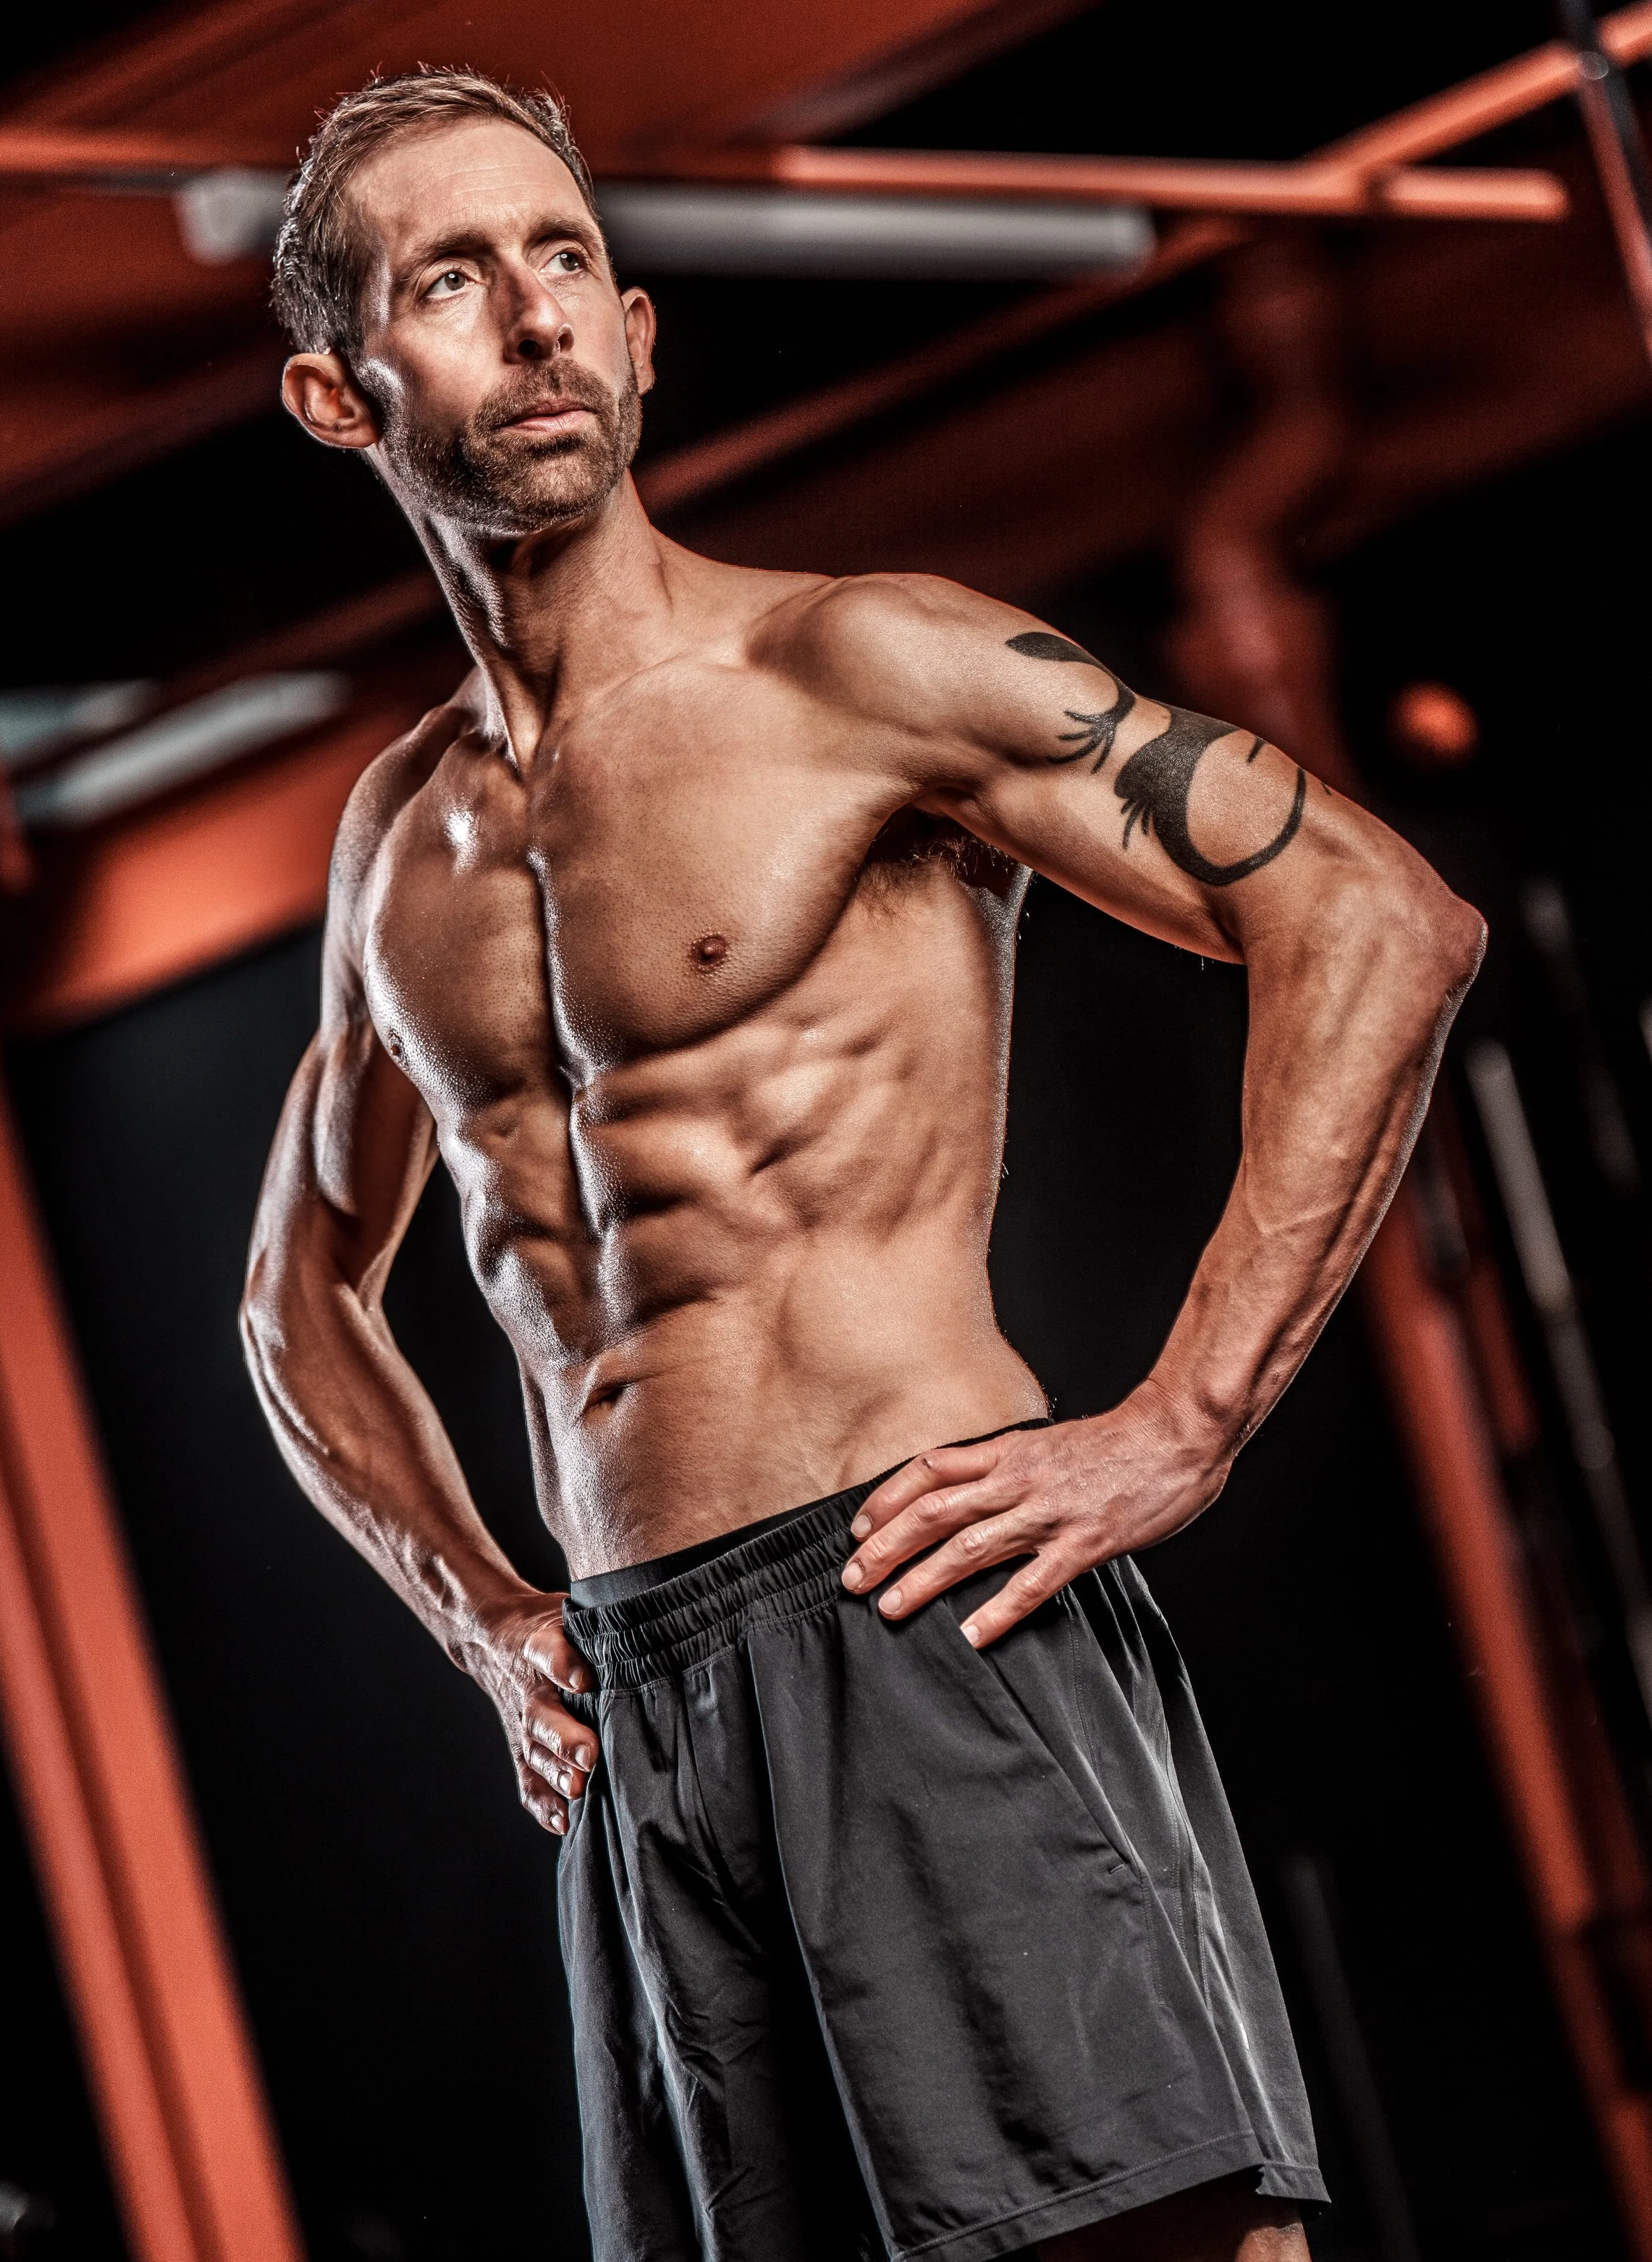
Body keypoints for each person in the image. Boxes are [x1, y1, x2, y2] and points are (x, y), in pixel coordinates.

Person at [243, 67, 1483, 2262]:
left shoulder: (855, 664)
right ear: (341, 397)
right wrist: (482, 1613)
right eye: (453, 278)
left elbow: (1374, 913)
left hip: (912, 1602)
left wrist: (1180, 1421)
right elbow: (294, 1301)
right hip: (637, 1708)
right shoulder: (395, 845)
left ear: (637, 335)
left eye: (561, 261)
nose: (530, 320)